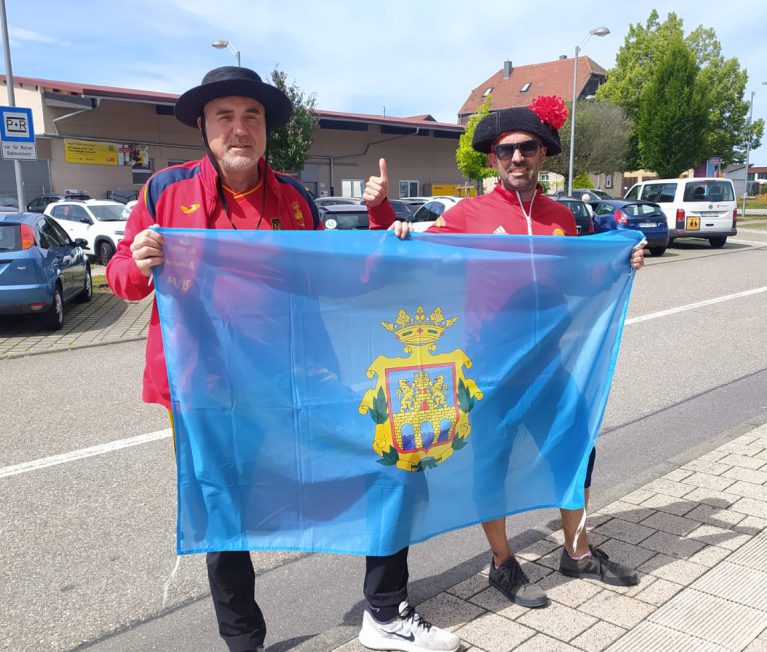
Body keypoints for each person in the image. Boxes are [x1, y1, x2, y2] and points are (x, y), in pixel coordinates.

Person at [106, 66, 459, 652]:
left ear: (266, 129)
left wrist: (381, 227)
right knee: (224, 510)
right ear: (204, 126)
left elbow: (335, 278)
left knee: (393, 457)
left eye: (253, 117)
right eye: (225, 116)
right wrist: (139, 261)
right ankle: (244, 641)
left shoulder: (294, 199)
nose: (239, 129)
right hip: (204, 389)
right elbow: (122, 279)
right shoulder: (163, 193)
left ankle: (384, 612)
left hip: (295, 378)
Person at [385, 97, 645, 609]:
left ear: (543, 154)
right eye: (507, 150)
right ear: (493, 159)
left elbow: (582, 278)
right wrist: (387, 221)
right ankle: (502, 563)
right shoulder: (467, 215)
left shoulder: (560, 219)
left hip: (552, 362)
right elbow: (412, 251)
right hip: (491, 365)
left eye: (527, 148)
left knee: (577, 452)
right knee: (493, 464)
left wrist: (622, 261)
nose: (517, 157)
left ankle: (576, 551)